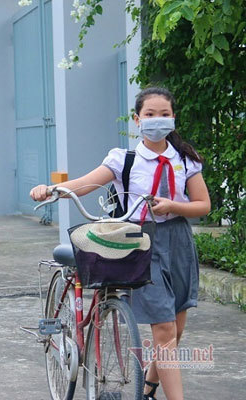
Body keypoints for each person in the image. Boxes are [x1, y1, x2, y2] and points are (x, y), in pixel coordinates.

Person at [30, 87, 210, 400]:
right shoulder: (123, 160)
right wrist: (51, 189)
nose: (157, 120)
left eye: (164, 114)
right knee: (165, 332)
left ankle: (150, 389)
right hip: (138, 242)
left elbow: (202, 205)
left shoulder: (184, 159)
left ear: (173, 118)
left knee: (175, 332)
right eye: (150, 115)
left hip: (178, 241)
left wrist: (172, 206)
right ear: (137, 119)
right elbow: (85, 184)